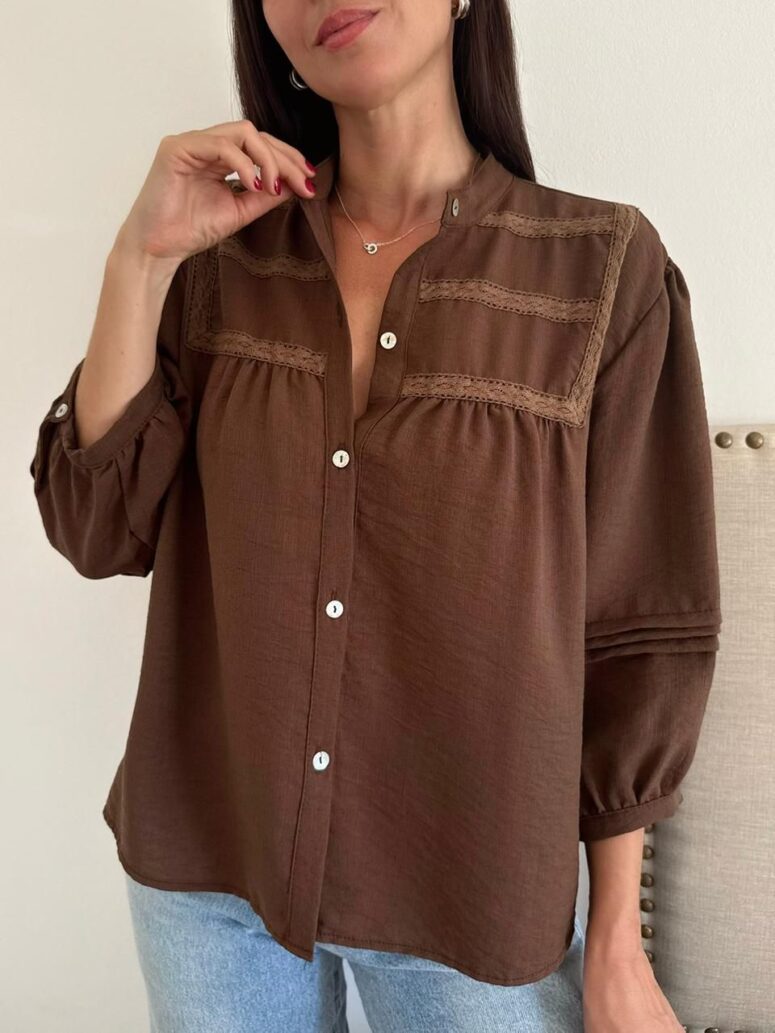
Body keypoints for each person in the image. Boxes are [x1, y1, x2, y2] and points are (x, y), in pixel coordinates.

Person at [29, 1, 722, 1030]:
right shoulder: (218, 260)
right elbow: (95, 526)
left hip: (470, 900)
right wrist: (139, 259)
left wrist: (617, 941)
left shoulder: (601, 271)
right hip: (211, 875)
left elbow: (638, 628)